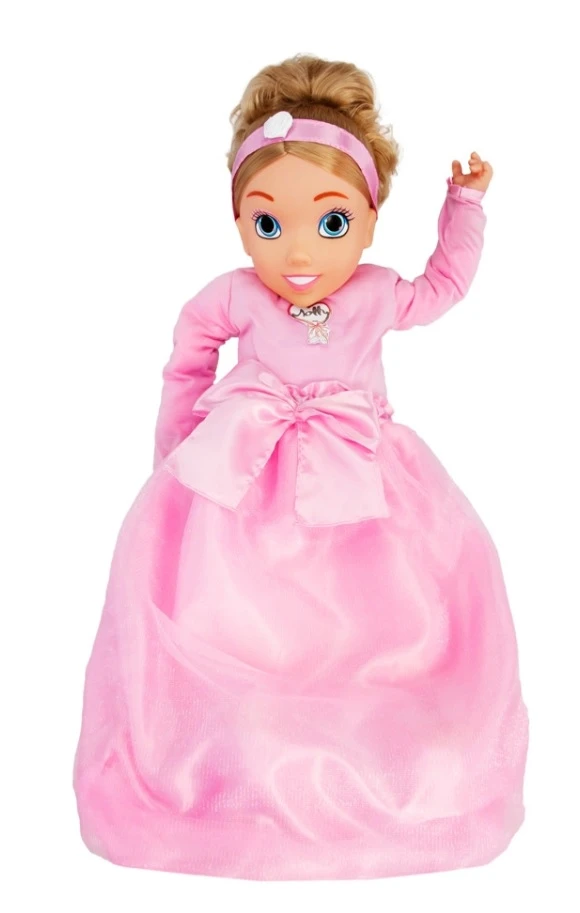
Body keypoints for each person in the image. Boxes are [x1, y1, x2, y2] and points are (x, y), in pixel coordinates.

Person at [73, 53, 529, 881]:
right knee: (227, 621)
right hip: (243, 493)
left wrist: (463, 207)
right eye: (267, 224)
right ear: (239, 223)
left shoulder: (378, 292)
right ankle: (232, 757)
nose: (297, 252)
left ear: (370, 217)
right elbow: (187, 357)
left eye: (331, 223)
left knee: (385, 626)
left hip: (363, 488)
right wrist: (177, 458)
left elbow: (443, 286)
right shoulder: (235, 295)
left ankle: (380, 733)